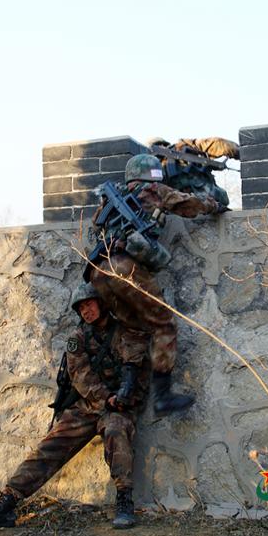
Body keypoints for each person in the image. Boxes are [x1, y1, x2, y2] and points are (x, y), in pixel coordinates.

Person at [0, 283, 149, 531]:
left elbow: (135, 362)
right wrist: (106, 397)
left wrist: (123, 396)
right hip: (89, 405)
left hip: (118, 408)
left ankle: (124, 501)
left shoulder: (124, 331)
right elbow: (81, 375)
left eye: (89, 304)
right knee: (49, 447)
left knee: (117, 432)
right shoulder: (78, 338)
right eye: (81, 308)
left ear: (102, 302)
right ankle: (5, 504)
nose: (86, 311)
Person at [88, 153, 222, 417]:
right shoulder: (152, 190)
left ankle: (127, 389)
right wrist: (213, 204)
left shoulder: (108, 199)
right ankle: (162, 395)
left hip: (97, 271)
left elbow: (95, 227)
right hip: (125, 267)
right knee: (163, 323)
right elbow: (187, 204)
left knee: (134, 328)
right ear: (151, 174)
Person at [147, 136, 239, 208]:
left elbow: (216, 144)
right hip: (196, 202)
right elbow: (217, 144)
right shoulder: (181, 148)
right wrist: (240, 152)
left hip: (194, 203)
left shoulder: (180, 149)